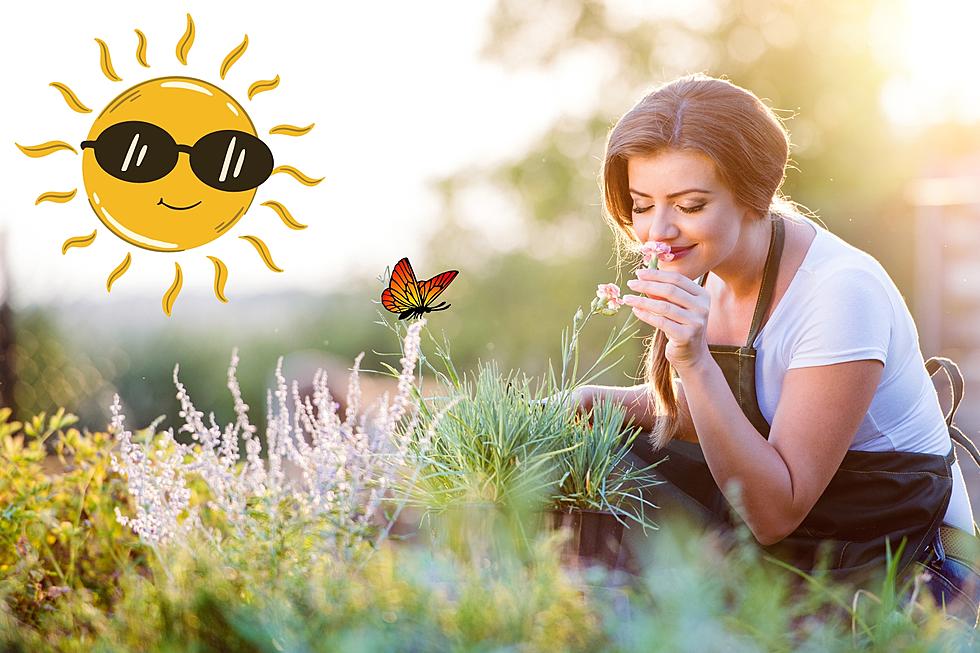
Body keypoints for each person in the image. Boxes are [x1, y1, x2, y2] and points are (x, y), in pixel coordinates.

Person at [571, 73, 980, 625]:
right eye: (641, 205)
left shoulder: (839, 293)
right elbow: (718, 414)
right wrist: (591, 402)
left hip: (898, 565)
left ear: (752, 195)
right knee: (585, 469)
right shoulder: (711, 266)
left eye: (689, 204)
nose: (657, 231)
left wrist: (689, 356)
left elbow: (773, 513)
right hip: (810, 538)